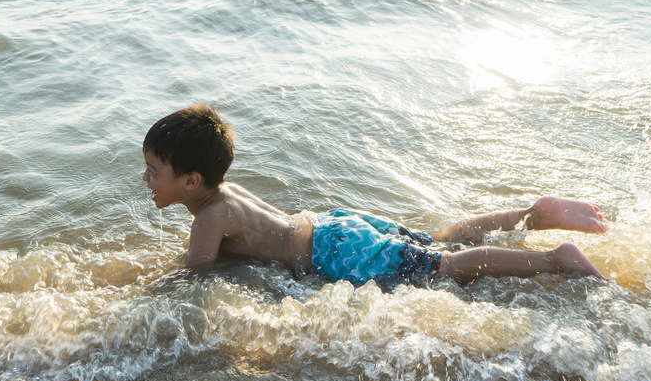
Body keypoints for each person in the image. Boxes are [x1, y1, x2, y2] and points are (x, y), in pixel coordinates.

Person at [142, 104, 608, 287]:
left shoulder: (207, 218)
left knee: (443, 266)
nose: (146, 178)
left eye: (153, 170)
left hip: (333, 250)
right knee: (437, 239)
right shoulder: (228, 192)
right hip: (333, 225)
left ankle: (555, 258)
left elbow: (196, 274)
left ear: (191, 181)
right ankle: (531, 214)